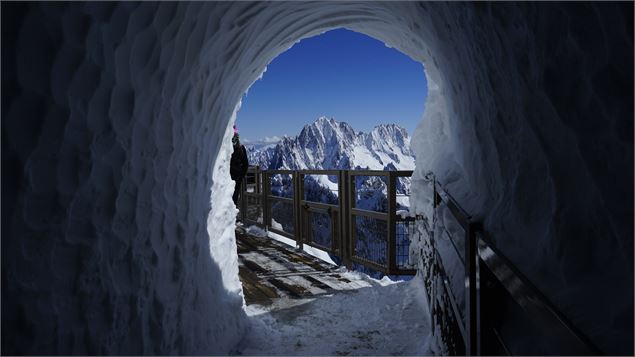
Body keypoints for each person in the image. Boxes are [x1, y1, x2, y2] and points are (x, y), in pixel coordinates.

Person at [230, 128, 249, 208]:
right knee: (234, 199)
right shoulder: (241, 148)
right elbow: (246, 164)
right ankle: (232, 217)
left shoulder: (227, 147)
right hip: (237, 177)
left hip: (229, 178)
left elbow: (245, 164)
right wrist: (241, 176)